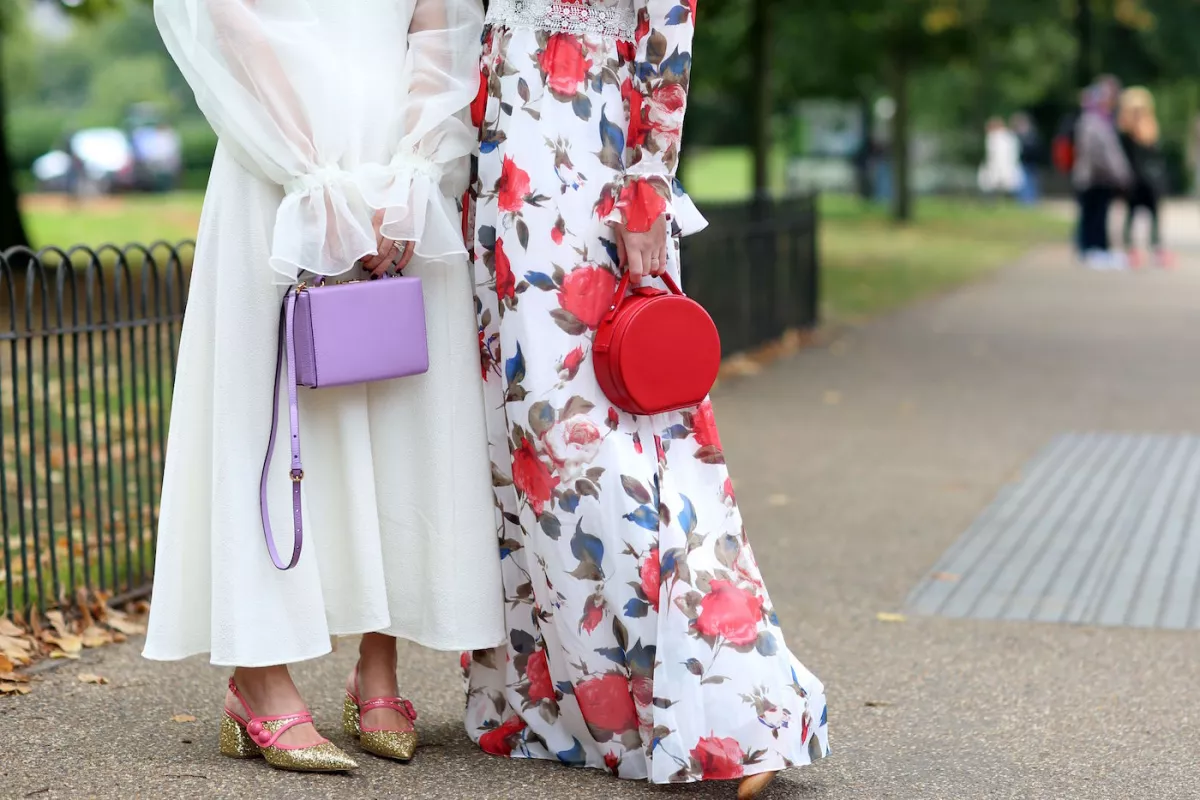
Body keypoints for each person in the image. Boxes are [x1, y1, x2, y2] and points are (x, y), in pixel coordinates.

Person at [464, 2, 830, 798]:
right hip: (501, 177)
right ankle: (561, 700)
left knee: (604, 448)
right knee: (527, 451)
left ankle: (726, 699)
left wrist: (646, 194)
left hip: (583, 177)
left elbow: (669, 31)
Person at [144, 0, 503, 772]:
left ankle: (380, 667)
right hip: (276, 161)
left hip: (398, 175)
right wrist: (311, 176)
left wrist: (416, 171)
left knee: (400, 414)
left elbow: (437, 29)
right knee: (270, 422)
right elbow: (228, 24)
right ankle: (258, 678)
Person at [1074, 80, 1133, 269]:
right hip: (1094, 178)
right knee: (1094, 216)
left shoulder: (1102, 120)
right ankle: (1093, 249)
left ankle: (1096, 249)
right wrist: (1117, 172)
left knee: (1098, 215)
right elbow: (1096, 153)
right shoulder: (1092, 121)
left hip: (1101, 178)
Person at [1117, 88, 1174, 269]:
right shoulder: (1125, 133)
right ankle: (1130, 248)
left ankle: (1156, 247)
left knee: (1154, 215)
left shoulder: (1150, 129)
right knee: (1131, 214)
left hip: (1150, 180)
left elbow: (1155, 157)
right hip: (1134, 180)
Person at [977, 116, 1022, 199]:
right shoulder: (1010, 136)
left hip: (1000, 167)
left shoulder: (995, 138)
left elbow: (995, 156)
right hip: (1006, 166)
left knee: (995, 186)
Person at [1011, 112, 1044, 205]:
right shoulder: (1025, 135)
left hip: (1029, 161)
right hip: (1025, 161)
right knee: (1025, 181)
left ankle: (1030, 200)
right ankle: (1025, 200)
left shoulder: (1029, 135)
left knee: (1029, 181)